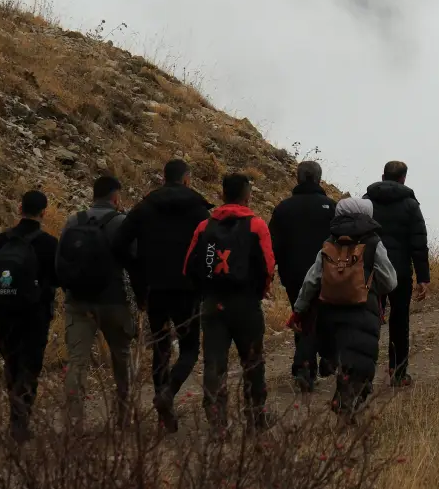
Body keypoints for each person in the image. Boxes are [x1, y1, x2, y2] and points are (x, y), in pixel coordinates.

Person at [112, 158, 212, 431]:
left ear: (163, 178)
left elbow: (118, 244)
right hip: (188, 291)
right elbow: (210, 250)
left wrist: (138, 275)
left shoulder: (145, 207)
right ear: (187, 179)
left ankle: (162, 412)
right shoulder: (199, 210)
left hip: (154, 289)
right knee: (190, 349)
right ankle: (168, 392)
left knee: (160, 347)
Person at [288, 197, 398, 419]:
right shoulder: (373, 242)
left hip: (330, 311)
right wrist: (369, 284)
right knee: (360, 364)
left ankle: (341, 397)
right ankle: (345, 406)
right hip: (363, 312)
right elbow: (390, 281)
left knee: (341, 356)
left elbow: (311, 280)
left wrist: (299, 309)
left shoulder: (330, 241)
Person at [184, 173, 275, 430]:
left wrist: (204, 292)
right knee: (253, 362)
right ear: (248, 196)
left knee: (214, 363)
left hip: (213, 303)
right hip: (246, 304)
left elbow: (189, 266)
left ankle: (217, 421)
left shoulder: (204, 226)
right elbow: (268, 266)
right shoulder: (257, 225)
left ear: (222, 194)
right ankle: (256, 419)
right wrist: (260, 293)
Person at [0, 190, 59, 442]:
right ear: (44, 213)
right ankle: (20, 422)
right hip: (36, 315)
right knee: (30, 366)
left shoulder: (3, 239)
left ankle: (15, 414)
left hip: (6, 312)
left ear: (19, 208)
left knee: (11, 362)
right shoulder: (49, 243)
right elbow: (58, 277)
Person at [57, 174, 136, 428]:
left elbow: (60, 262)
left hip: (78, 302)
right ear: (116, 197)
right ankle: (123, 418)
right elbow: (135, 261)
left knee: (77, 363)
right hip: (114, 302)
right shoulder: (122, 222)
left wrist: (70, 291)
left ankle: (74, 423)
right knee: (121, 359)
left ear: (93, 195)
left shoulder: (74, 221)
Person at [269, 160, 336, 392]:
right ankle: (322, 360)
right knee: (322, 315)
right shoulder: (331, 207)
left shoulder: (283, 208)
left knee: (303, 315)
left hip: (293, 273)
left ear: (298, 178)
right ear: (319, 178)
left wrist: (269, 273)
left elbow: (273, 245)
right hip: (327, 272)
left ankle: (306, 368)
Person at [363, 161, 430, 386]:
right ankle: (398, 373)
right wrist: (423, 278)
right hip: (399, 272)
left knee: (368, 321)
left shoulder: (366, 201)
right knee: (400, 321)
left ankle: (364, 373)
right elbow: (419, 243)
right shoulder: (410, 205)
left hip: (370, 271)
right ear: (403, 178)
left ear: (383, 176)